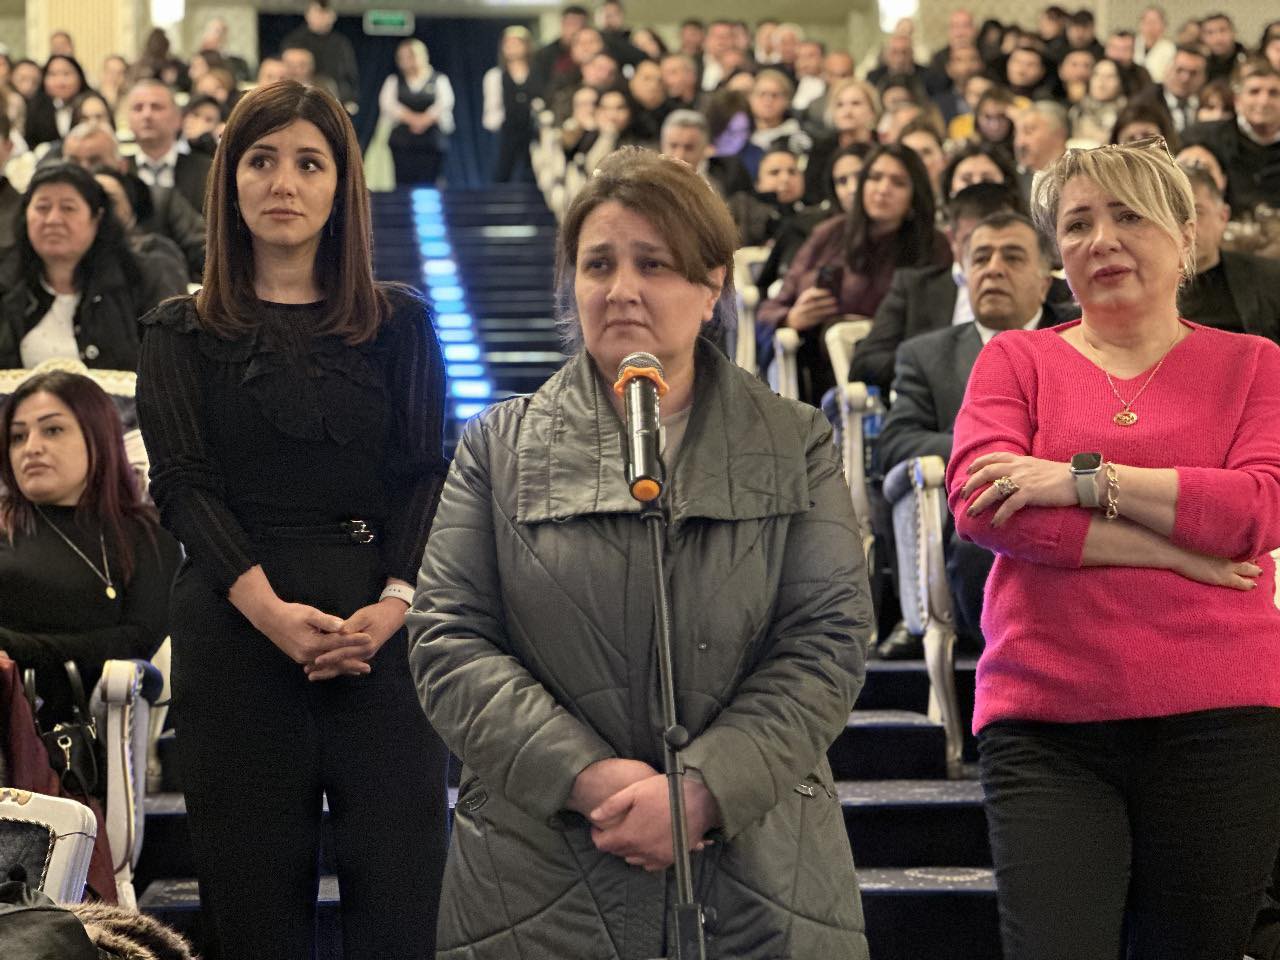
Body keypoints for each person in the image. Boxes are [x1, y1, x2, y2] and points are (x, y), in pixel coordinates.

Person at [406, 145, 873, 960]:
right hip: (540, 874)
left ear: (712, 283)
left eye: (652, 264)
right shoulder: (497, 448)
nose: (620, 289)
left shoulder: (794, 440)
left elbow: (827, 640)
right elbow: (448, 640)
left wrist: (703, 791)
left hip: (759, 869)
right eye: (598, 265)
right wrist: (589, 780)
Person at [134, 80, 449, 960]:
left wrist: (395, 604)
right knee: (253, 922)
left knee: (402, 916)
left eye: (310, 163)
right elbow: (184, 487)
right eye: (262, 160)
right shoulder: (178, 331)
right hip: (238, 633)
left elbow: (426, 474)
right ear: (229, 180)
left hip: (381, 639)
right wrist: (273, 615)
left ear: (341, 186)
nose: (284, 182)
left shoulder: (401, 324)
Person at [947, 137, 1280, 958]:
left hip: (1220, 716)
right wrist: (1173, 550)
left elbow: (1258, 510)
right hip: (1047, 719)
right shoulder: (1015, 358)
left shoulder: (1253, 364)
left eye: (1128, 216)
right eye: (1078, 224)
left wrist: (1081, 481)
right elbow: (983, 506)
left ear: (1185, 236)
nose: (1101, 240)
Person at [877, 212, 1076, 646]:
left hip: (1071, 501)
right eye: (981, 258)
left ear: (1045, 282)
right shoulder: (926, 356)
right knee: (978, 546)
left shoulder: (1078, 339)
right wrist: (989, 452)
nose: (994, 269)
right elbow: (895, 443)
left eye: (1013, 257)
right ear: (965, 275)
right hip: (979, 514)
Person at [0, 370, 180, 726]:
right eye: (18, 436)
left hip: (86, 728)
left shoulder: (147, 535)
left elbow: (136, 642)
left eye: (53, 430)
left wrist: (12, 649)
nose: (31, 447)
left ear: (98, 436)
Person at [758, 142, 950, 406]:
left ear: (914, 194)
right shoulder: (829, 234)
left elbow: (935, 328)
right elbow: (768, 311)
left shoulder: (933, 246)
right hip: (818, 376)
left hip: (893, 378)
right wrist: (791, 318)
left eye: (898, 182)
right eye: (874, 177)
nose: (882, 189)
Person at [0, 163, 185, 370]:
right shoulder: (6, 279)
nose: (53, 219)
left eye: (68, 208)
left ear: (97, 218)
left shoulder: (140, 276)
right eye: (42, 208)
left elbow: (170, 364)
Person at [851, 182, 1025, 396]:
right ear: (952, 239)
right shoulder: (914, 288)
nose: (992, 264)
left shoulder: (1044, 289)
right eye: (974, 242)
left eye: (1007, 248)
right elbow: (865, 364)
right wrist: (931, 364)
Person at [61, 120, 206, 283]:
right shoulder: (53, 212)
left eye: (95, 161)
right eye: (73, 162)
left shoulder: (160, 199)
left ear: (121, 165)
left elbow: (207, 251)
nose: (83, 170)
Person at [1178, 164, 1280, 341]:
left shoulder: (1271, 278)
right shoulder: (1143, 288)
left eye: (1197, 212)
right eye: (1175, 214)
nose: (1186, 227)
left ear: (1223, 216)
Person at [1183, 60, 1280, 213]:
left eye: (1273, 93)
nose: (1264, 101)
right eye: (1254, 92)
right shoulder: (1206, 137)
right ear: (1237, 100)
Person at [125, 80, 215, 217]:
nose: (146, 115)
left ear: (178, 118)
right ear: (128, 120)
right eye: (138, 108)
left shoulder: (207, 172)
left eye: (156, 107)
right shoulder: (119, 171)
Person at [378, 39, 454, 187]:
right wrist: (411, 119)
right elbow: (388, 104)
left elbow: (445, 103)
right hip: (402, 143)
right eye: (403, 57)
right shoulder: (394, 80)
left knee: (431, 185)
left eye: (411, 56)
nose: (407, 61)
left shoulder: (439, 79)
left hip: (432, 142)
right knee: (403, 185)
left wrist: (424, 119)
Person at [804, 78, 878, 204]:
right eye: (840, 105)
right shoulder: (821, 150)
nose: (847, 111)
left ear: (872, 111)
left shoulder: (883, 146)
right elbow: (812, 194)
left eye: (856, 103)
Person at [482, 26, 535, 183]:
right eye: (508, 43)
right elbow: (492, 108)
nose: (512, 47)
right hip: (507, 132)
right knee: (502, 172)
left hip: (533, 130)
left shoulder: (537, 73)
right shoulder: (495, 75)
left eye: (517, 43)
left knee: (533, 173)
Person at [281, 0, 359, 105]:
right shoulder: (294, 41)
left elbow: (349, 76)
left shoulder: (341, 44)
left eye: (326, 13)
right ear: (307, 15)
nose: (322, 17)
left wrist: (350, 99)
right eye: (318, 12)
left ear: (333, 16)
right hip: (299, 99)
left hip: (334, 99)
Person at [25, 55, 89, 149]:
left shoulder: (92, 103)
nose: (60, 81)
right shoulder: (34, 107)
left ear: (80, 76)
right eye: (53, 74)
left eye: (66, 74)